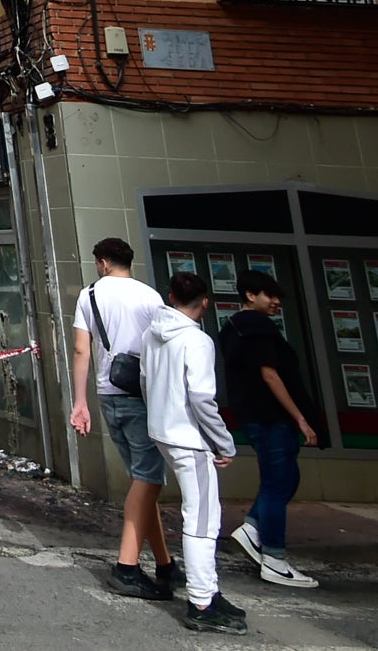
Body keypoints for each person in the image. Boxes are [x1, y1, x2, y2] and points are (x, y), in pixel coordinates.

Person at [69, 236, 180, 600]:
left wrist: (79, 403)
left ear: (102, 263)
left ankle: (164, 564)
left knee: (141, 480)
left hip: (107, 393)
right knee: (148, 479)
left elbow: (80, 349)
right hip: (141, 395)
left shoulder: (90, 296)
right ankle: (127, 567)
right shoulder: (150, 297)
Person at [147, 271, 247, 635]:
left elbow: (145, 380)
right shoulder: (197, 341)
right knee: (203, 521)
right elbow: (203, 400)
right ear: (205, 302)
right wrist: (224, 442)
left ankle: (208, 592)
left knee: (198, 515)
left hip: (162, 430)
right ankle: (202, 601)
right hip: (190, 438)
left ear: (171, 296)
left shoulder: (152, 333)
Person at [219, 271, 324, 589]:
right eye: (269, 295)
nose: (277, 301)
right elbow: (270, 375)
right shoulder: (258, 327)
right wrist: (300, 418)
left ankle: (253, 527)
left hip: (253, 415)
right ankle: (274, 559)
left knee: (284, 478)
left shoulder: (232, 326)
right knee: (279, 484)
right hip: (269, 416)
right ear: (251, 295)